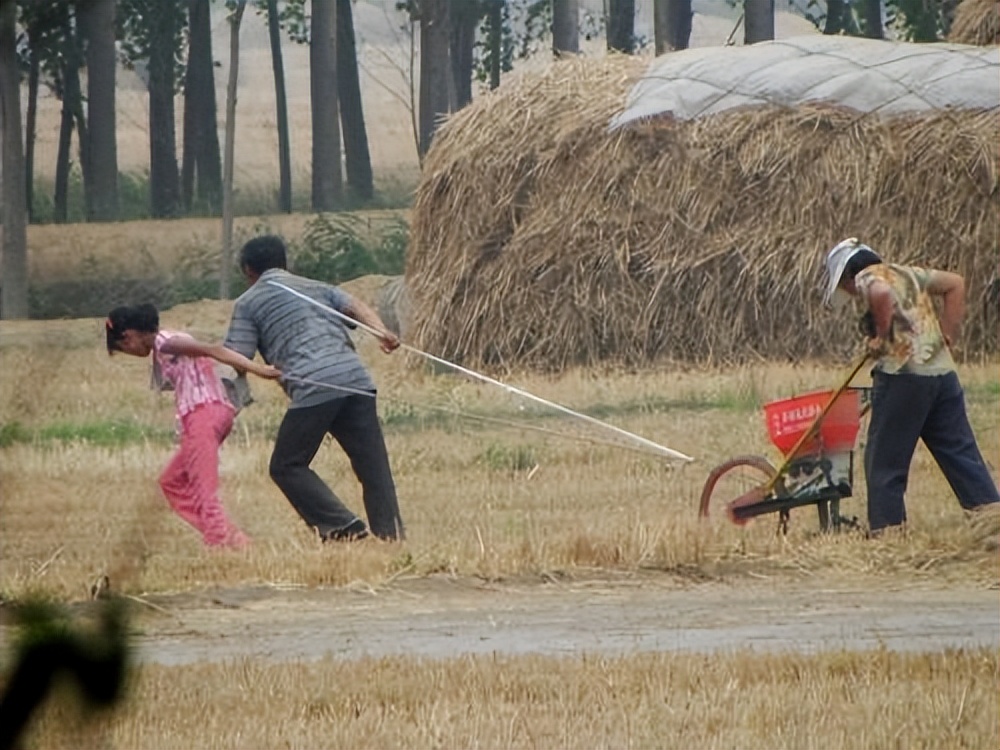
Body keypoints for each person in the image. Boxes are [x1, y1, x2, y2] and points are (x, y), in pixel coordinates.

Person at [223, 235, 405, 542]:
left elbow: (237, 358)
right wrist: (381, 331)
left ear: (248, 271)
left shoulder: (248, 302)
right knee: (373, 467)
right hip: (356, 378)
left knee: (286, 465)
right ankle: (391, 537)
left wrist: (238, 370)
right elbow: (356, 305)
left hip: (314, 386)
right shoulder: (316, 286)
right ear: (285, 263)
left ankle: (342, 526)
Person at [822, 238, 1000, 533]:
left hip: (903, 378)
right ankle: (993, 523)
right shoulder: (906, 273)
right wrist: (946, 335)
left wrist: (880, 337)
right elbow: (955, 284)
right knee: (961, 455)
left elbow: (881, 295)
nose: (851, 292)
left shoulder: (869, 277)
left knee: (883, 462)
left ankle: (888, 534)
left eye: (845, 285)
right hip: (942, 377)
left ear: (848, 273)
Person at [106, 304, 282, 548]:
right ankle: (235, 539)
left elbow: (215, 350)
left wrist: (260, 370)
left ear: (129, 335)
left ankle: (220, 544)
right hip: (204, 415)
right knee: (172, 482)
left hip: (203, 414)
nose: (130, 352)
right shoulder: (164, 345)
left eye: (124, 347)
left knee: (204, 489)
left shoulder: (168, 343)